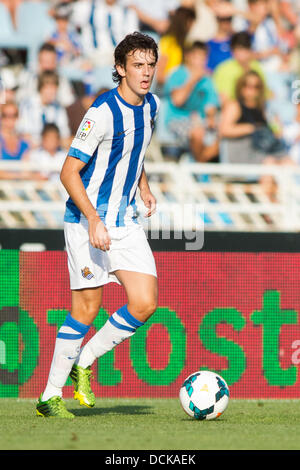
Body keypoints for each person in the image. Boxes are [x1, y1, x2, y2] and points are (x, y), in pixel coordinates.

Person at [36, 32, 160, 418]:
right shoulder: (101, 112)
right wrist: (92, 219)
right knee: (87, 309)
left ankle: (84, 361)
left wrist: (144, 185)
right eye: (137, 65)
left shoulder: (152, 105)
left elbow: (134, 152)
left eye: (151, 65)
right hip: (86, 220)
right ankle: (49, 397)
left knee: (144, 303)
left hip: (125, 220)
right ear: (120, 68)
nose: (146, 73)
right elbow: (68, 172)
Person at [164, 41, 219, 162]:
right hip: (177, 120)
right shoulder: (178, 74)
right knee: (198, 133)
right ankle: (200, 170)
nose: (200, 61)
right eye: (197, 57)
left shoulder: (207, 79)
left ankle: (198, 165)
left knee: (221, 136)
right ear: (188, 57)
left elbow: (211, 103)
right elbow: (177, 100)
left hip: (199, 121)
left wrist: (211, 117)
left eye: (203, 57)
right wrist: (193, 79)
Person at [213, 31, 268, 106]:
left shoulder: (256, 66)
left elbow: (265, 93)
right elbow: (223, 99)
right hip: (235, 109)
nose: (243, 53)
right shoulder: (224, 69)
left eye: (246, 48)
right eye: (240, 49)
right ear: (232, 51)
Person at [18, 71, 71, 148]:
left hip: (54, 150)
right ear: (40, 88)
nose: (51, 92)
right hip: (32, 149)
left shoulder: (58, 108)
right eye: (48, 88)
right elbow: (23, 133)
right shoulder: (27, 105)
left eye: (54, 88)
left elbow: (64, 134)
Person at [156, 6, 196, 87]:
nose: (192, 26)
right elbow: (160, 76)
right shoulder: (167, 42)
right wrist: (178, 84)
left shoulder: (187, 44)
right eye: (190, 22)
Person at [0, 101, 31, 180]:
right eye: (5, 115)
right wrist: (20, 176)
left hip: (19, 188)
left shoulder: (24, 143)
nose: (10, 119)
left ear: (18, 117)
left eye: (14, 115)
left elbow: (27, 171)